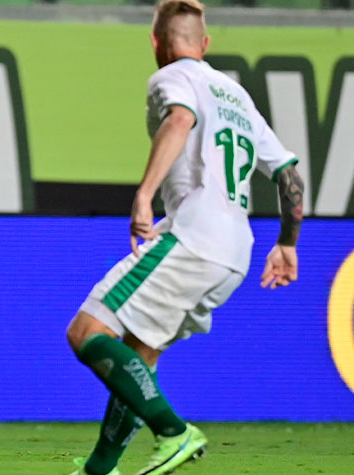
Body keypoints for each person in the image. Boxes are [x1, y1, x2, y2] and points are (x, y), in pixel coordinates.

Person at [66, 1, 303, 474]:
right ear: (205, 43)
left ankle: (174, 432)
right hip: (236, 250)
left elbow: (179, 120)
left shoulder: (173, 77)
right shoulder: (237, 95)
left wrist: (143, 195)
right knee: (139, 355)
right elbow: (288, 174)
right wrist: (289, 242)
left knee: (87, 332)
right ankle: (100, 469)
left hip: (195, 234)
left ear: (158, 43)